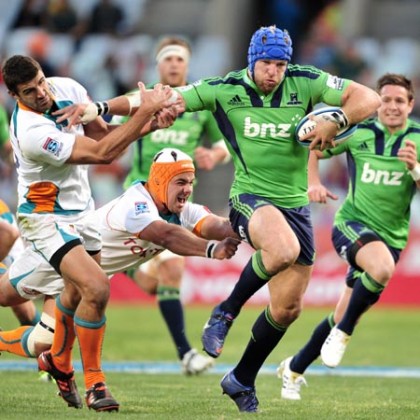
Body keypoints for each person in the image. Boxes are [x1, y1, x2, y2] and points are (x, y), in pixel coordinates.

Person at [53, 25, 381, 413]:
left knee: (287, 309)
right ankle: (226, 310)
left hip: (295, 206)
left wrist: (337, 119)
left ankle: (241, 377)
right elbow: (163, 98)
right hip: (250, 197)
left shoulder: (306, 82)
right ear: (251, 62)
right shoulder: (224, 88)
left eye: (279, 64)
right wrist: (101, 108)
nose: (273, 72)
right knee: (281, 250)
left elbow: (369, 97)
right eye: (266, 64)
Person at [2, 54, 174, 412]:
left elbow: (107, 136)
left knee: (75, 294)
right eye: (30, 91)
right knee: (95, 286)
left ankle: (60, 365)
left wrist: (152, 124)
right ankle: (96, 384)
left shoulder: (66, 88)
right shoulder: (31, 132)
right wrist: (144, 112)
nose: (42, 93)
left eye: (41, 82)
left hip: (82, 212)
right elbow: (102, 154)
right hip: (45, 218)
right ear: (15, 95)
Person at [0, 148, 240, 377]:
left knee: (42, 344)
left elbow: (216, 225)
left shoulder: (182, 210)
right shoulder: (136, 205)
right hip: (57, 259)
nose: (188, 189)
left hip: (82, 280)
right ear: (159, 181)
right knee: (3, 296)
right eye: (180, 182)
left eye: (190, 182)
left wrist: (252, 224)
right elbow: (166, 236)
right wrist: (212, 249)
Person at [278, 73, 420, 400]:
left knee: (344, 309)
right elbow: (315, 147)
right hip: (351, 225)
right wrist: (313, 182)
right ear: (377, 103)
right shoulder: (360, 132)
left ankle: (294, 368)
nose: (393, 106)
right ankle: (344, 334)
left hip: (393, 238)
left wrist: (414, 169)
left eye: (401, 100)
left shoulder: (417, 140)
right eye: (386, 99)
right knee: (381, 270)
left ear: (410, 105)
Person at [120, 36, 230, 374]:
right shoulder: (142, 100)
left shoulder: (196, 108)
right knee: (166, 275)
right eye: (167, 59)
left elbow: (228, 140)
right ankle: (186, 353)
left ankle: (184, 355)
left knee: (164, 277)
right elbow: (108, 125)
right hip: (138, 199)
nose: (173, 64)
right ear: (157, 65)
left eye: (179, 59)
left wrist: (215, 153)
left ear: (186, 65)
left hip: (179, 207)